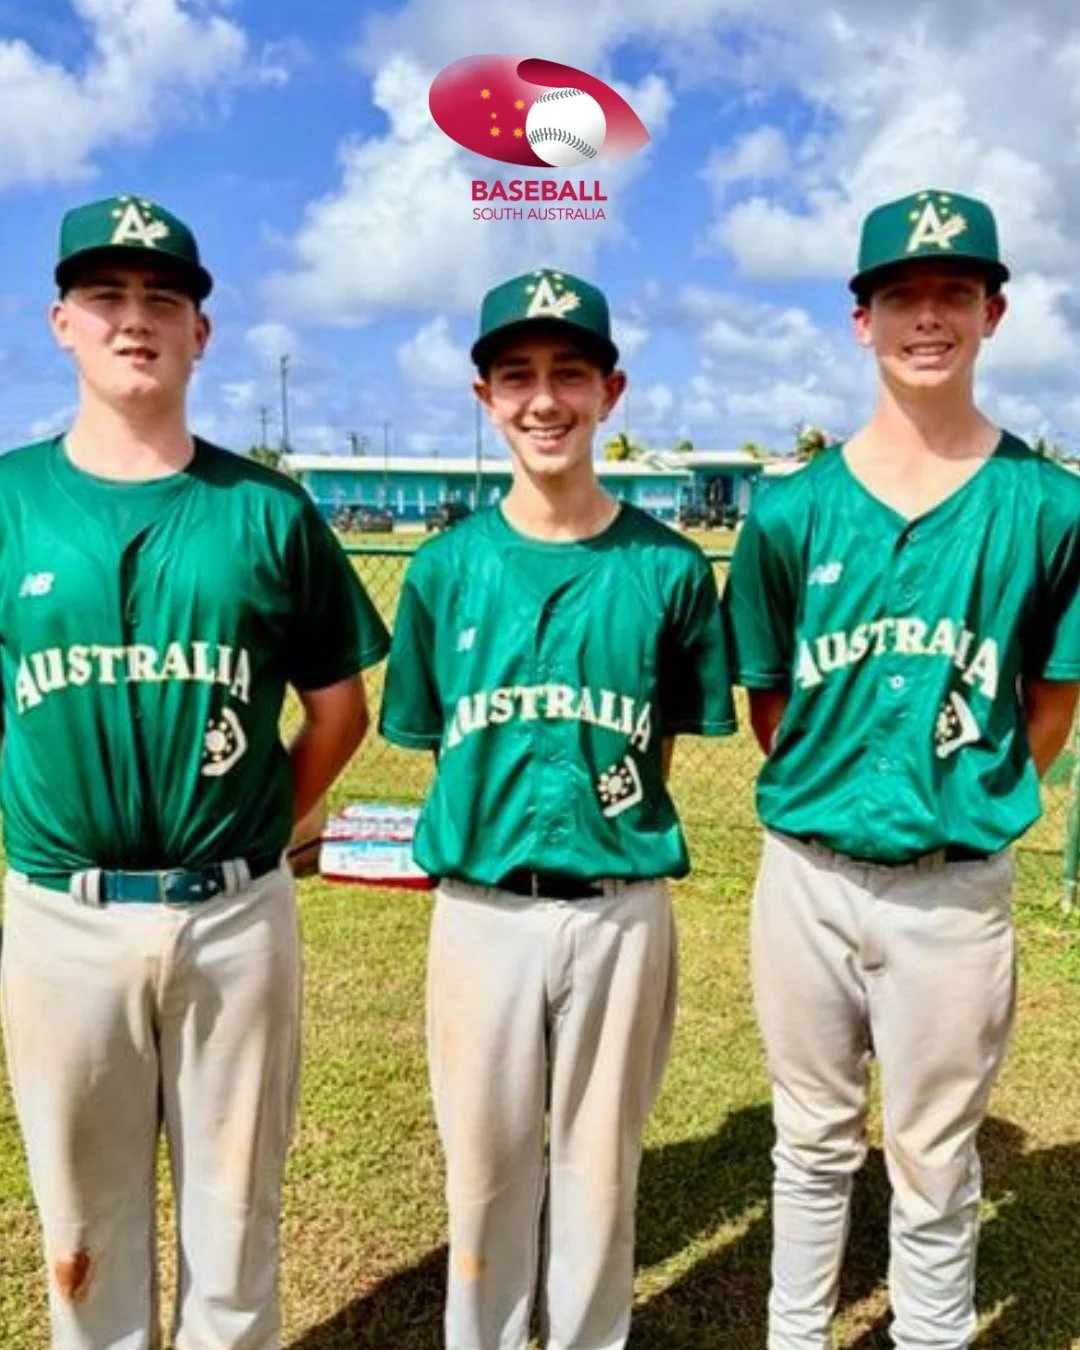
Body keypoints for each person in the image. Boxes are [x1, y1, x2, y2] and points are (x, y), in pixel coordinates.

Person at [0, 193, 389, 1350]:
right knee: (82, 1236)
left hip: (233, 912)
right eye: (108, 297)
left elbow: (336, 706)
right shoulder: (10, 501)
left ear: (201, 334)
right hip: (63, 915)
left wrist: (270, 817)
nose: (136, 320)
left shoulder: (267, 508)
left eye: (163, 299)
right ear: (61, 319)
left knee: (234, 1228)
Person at [723, 188, 1080, 1348]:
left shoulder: (1048, 505)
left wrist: (958, 803)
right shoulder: (791, 512)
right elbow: (771, 699)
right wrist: (837, 797)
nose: (928, 317)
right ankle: (794, 1333)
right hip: (808, 874)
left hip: (954, 885)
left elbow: (1052, 698)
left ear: (994, 311)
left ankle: (930, 1335)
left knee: (935, 1150)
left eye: (953, 293)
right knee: (812, 1137)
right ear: (860, 318)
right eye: (902, 296)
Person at [380, 266, 736, 1350]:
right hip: (480, 909)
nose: (544, 399)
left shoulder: (670, 569)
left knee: (599, 1176)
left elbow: (659, 740)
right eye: (517, 375)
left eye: (569, 374)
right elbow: (438, 737)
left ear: (610, 393)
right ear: (484, 397)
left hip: (621, 905)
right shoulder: (444, 569)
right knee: (485, 1178)